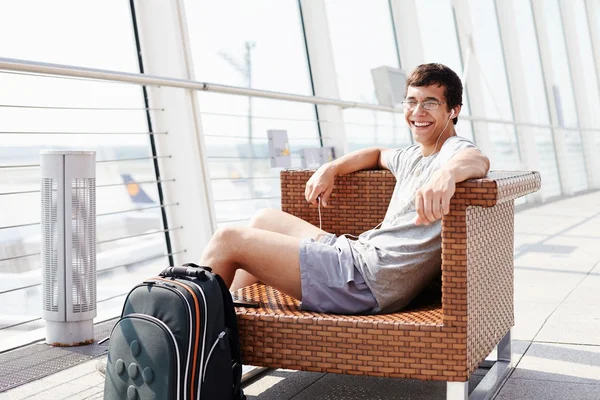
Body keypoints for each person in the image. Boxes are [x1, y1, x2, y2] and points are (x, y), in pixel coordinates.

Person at [199, 63, 490, 314]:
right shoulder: (413, 155)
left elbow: (476, 159)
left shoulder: (454, 149)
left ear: (453, 111)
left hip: (365, 280)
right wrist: (332, 168)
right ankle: (232, 316)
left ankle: (198, 339)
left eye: (430, 103)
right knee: (263, 219)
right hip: (357, 254)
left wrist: (447, 176)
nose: (417, 111)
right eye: (411, 101)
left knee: (227, 240)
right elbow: (376, 154)